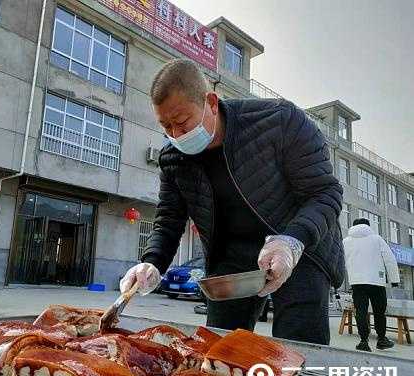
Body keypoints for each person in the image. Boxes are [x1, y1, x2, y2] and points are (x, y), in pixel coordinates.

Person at [119, 59, 345, 345]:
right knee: (219, 345)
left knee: (298, 346)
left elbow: (325, 192)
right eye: (166, 127)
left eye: (182, 122)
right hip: (231, 258)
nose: (176, 135)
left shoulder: (279, 121)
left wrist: (292, 241)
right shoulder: (173, 159)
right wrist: (151, 263)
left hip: (298, 247)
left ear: (211, 102)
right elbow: (169, 220)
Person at [343, 218, 400, 352]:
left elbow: (340, 261)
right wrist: (394, 279)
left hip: (357, 283)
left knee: (361, 312)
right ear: (368, 226)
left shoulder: (346, 242)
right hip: (377, 282)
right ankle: (381, 340)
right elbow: (389, 259)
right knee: (379, 312)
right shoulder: (377, 239)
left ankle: (363, 342)